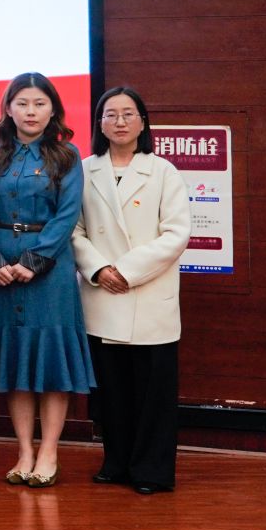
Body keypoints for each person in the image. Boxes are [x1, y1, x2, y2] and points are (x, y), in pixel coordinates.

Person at [0, 72, 92, 488]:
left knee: (51, 362)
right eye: (22, 103)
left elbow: (67, 215)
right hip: (0, 270)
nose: (31, 111)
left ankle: (49, 452)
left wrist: (34, 260)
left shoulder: (67, 154)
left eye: (39, 103)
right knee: (18, 362)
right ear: (8, 109)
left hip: (51, 270)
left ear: (52, 109)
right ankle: (24, 450)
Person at [75, 85, 189, 494]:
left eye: (128, 114)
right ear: (99, 124)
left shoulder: (163, 171)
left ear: (143, 122)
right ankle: (116, 462)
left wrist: (124, 271)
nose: (119, 121)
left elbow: (176, 233)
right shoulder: (84, 170)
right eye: (111, 114)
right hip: (102, 293)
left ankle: (152, 471)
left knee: (152, 392)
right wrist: (99, 268)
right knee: (113, 390)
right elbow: (74, 230)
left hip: (147, 293)